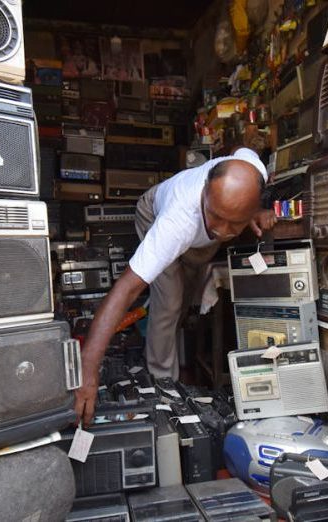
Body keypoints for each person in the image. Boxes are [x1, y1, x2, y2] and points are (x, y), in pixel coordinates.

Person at [75, 147, 277, 425]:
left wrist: (254, 212)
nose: (222, 230)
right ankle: (163, 388)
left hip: (197, 244)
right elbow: (127, 287)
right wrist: (88, 367)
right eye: (217, 216)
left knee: (186, 302)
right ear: (205, 190)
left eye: (235, 223)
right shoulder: (178, 220)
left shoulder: (254, 171)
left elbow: (243, 155)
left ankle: (166, 355)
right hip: (156, 214)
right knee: (169, 301)